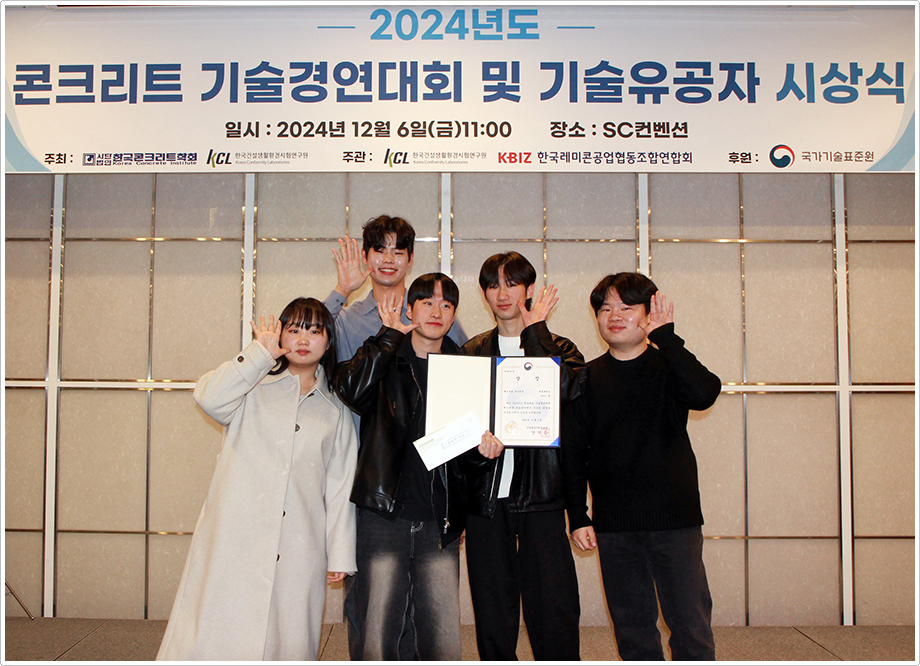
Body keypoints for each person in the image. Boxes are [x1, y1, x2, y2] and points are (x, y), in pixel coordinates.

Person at [157, 298, 358, 661]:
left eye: (315, 331)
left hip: (300, 542)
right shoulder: (252, 387)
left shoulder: (336, 409)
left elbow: (341, 485)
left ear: (329, 341)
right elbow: (207, 397)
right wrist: (258, 355)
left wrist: (340, 552)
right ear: (280, 335)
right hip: (237, 537)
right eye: (294, 329)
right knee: (222, 630)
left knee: (288, 632)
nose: (303, 339)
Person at [333, 273, 502, 661]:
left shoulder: (465, 367)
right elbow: (350, 391)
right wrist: (388, 337)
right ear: (410, 309)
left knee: (441, 631)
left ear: (454, 314)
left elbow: (466, 450)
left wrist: (484, 451)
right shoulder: (385, 355)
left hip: (438, 516)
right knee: (377, 626)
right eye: (427, 302)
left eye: (446, 304)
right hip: (382, 512)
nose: (437, 311)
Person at [322, 214, 467, 659]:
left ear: (410, 258)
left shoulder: (431, 311)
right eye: (379, 249)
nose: (388, 259)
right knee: (371, 601)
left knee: (427, 609)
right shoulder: (348, 318)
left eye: (398, 251)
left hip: (424, 480)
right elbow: (313, 346)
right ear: (366, 257)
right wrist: (341, 290)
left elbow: (465, 385)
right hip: (364, 470)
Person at [562, 272, 721, 661]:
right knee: (632, 629)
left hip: (675, 520)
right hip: (615, 523)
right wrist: (578, 515)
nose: (614, 316)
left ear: (648, 315)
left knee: (690, 623)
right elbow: (573, 452)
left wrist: (667, 338)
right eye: (605, 309)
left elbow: (705, 393)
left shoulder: (669, 366)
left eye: (626, 307)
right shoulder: (585, 378)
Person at [461, 252, 585, 661]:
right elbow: (455, 428)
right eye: (493, 285)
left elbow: (568, 392)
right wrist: (476, 450)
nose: (502, 293)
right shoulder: (472, 350)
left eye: (512, 283)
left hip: (542, 497)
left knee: (554, 608)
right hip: (487, 500)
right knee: (493, 612)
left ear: (529, 289)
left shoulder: (559, 347)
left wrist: (535, 334)